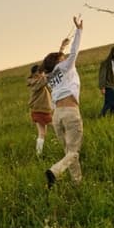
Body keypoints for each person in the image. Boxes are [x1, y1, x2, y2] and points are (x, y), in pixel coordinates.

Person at [42, 16, 84, 189]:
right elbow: (74, 53)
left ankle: (77, 182)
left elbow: (55, 62)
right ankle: (55, 170)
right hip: (70, 112)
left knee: (69, 152)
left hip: (56, 115)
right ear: (60, 61)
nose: (65, 57)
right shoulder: (65, 66)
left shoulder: (50, 75)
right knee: (73, 151)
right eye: (62, 57)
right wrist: (79, 30)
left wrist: (61, 47)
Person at [27, 64, 53, 156]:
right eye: (41, 72)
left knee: (42, 133)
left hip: (37, 111)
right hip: (41, 112)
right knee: (59, 127)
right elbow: (46, 79)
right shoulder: (37, 83)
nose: (43, 74)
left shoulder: (35, 82)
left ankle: (38, 154)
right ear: (35, 74)